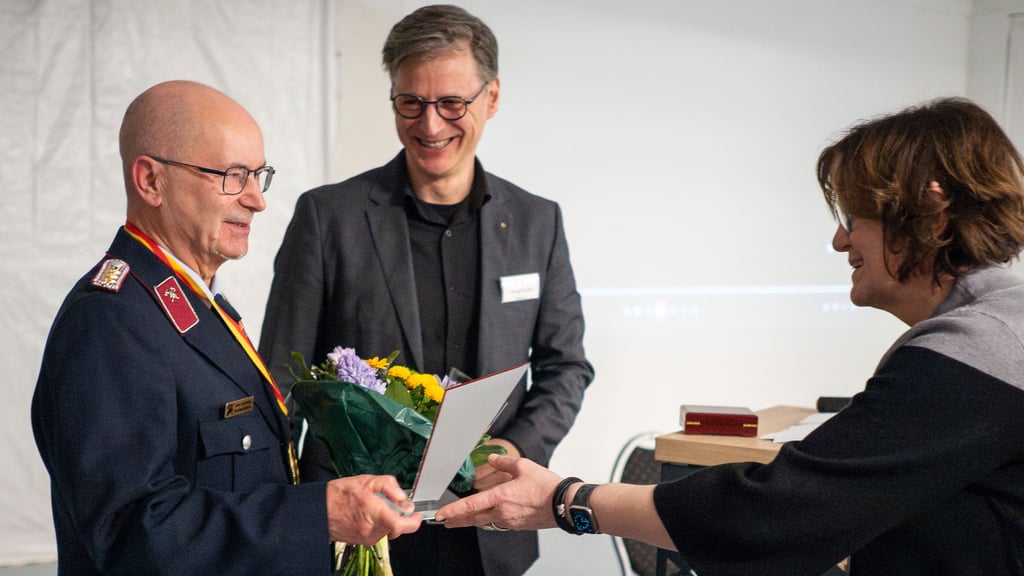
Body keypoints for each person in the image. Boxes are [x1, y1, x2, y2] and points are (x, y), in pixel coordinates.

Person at [433, 96, 1024, 576]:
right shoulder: (1000, 329)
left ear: (932, 209)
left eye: (853, 217)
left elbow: (776, 512)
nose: (841, 243)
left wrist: (567, 500)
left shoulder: (975, 352)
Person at [31, 80, 421, 576]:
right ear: (151, 180)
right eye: (232, 176)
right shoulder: (109, 321)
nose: (257, 199)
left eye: (258, 175)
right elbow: (133, 533)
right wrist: (318, 513)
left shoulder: (195, 306)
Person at [258, 5, 594, 576]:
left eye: (451, 104)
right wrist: (280, 519)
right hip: (357, 528)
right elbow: (279, 382)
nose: (430, 125)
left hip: (489, 526)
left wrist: (509, 452)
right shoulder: (328, 217)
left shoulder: (539, 222)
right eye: (410, 103)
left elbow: (566, 368)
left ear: (491, 98)